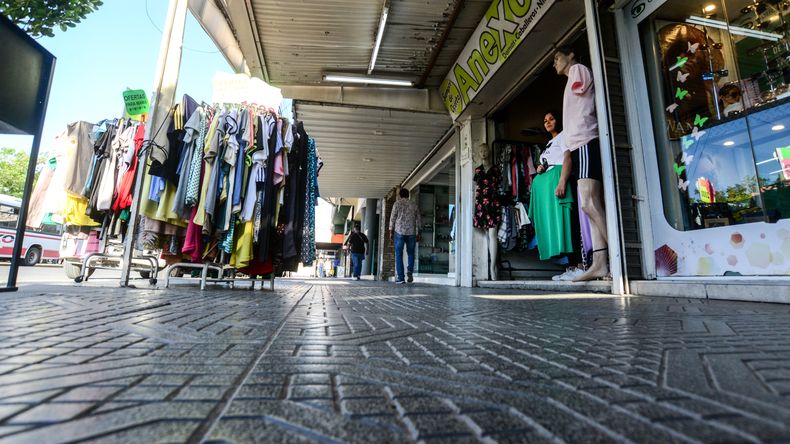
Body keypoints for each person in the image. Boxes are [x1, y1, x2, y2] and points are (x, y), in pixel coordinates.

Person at [554, 46, 609, 281]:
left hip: (586, 140)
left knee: (589, 204)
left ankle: (618, 253)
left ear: (571, 55)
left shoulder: (577, 69)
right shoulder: (571, 78)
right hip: (579, 145)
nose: (555, 63)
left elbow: (584, 95)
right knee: (589, 206)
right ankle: (599, 264)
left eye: (557, 58)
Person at [530, 111, 581, 280]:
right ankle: (570, 267)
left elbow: (567, 159)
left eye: (551, 119)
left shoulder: (564, 135)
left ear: (558, 119)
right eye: (545, 121)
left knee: (568, 223)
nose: (548, 122)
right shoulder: (549, 143)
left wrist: (562, 181)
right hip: (547, 186)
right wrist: (540, 169)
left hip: (559, 181)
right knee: (557, 226)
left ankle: (579, 265)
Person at [388, 188, 421, 283]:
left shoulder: (397, 204)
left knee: (399, 254)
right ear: (408, 195)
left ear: (400, 195)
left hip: (399, 232)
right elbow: (418, 219)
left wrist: (391, 231)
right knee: (411, 253)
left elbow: (392, 218)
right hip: (411, 232)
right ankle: (410, 270)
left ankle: (401, 278)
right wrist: (419, 231)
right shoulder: (414, 205)